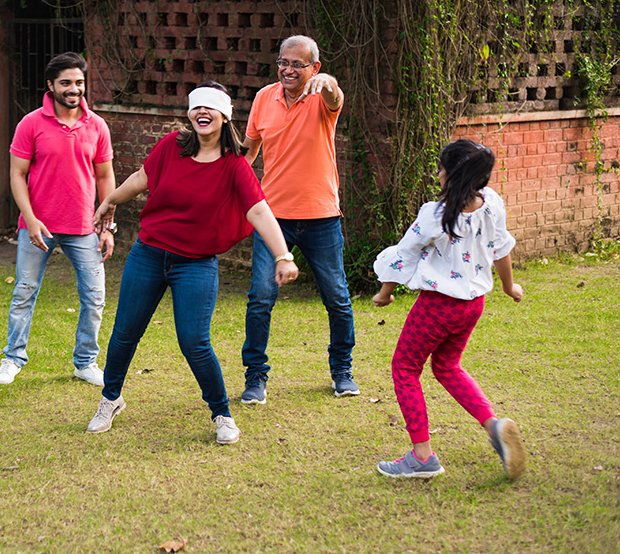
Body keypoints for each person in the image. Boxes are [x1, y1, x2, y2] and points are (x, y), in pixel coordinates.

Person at [85, 82, 298, 445]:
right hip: (149, 253)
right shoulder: (171, 147)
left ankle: (221, 414)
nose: (203, 113)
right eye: (197, 108)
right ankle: (110, 399)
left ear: (224, 115)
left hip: (196, 264)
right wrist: (109, 201)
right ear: (190, 113)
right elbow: (141, 179)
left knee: (194, 341)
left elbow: (259, 210)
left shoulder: (234, 166)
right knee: (125, 332)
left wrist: (283, 254)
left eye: (210, 108)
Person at [372, 139, 526, 479]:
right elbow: (501, 248)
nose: (438, 173)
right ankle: (494, 426)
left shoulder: (435, 215)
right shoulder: (492, 205)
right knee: (447, 366)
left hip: (438, 307)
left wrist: (384, 293)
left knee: (405, 369)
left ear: (451, 175)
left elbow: (403, 255)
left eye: (441, 167)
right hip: (473, 305)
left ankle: (422, 456)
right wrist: (508, 286)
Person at [241, 34, 358, 403]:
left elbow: (334, 97)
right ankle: (255, 376)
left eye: (298, 64)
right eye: (284, 62)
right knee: (261, 296)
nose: (288, 69)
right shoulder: (263, 98)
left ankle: (342, 370)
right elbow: (248, 153)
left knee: (337, 298)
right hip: (273, 217)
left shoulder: (323, 99)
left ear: (314, 68)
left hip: (321, 216)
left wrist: (330, 85)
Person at [0, 52, 116, 386]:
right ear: (51, 86)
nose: (73, 89)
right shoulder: (31, 123)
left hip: (84, 228)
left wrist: (107, 227)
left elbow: (106, 179)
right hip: (38, 227)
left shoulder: (97, 126)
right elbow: (17, 175)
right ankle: (13, 358)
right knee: (25, 292)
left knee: (94, 297)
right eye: (66, 83)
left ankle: (85, 362)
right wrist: (30, 219)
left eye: (79, 82)